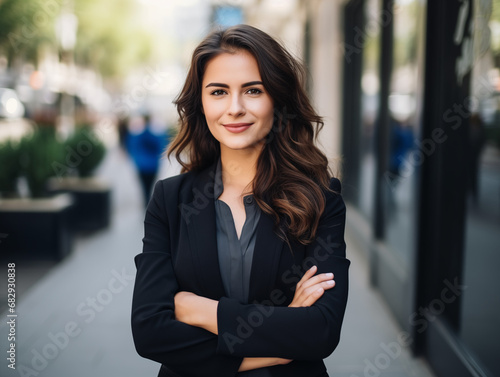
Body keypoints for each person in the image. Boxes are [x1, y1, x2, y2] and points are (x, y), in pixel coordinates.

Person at [131, 24, 350, 377]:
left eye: (252, 90)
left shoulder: (321, 198)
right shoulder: (169, 199)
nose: (234, 108)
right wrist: (273, 347)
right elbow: (150, 332)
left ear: (277, 99)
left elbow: (320, 331)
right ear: (200, 103)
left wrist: (201, 311)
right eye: (218, 92)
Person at [127, 114, 167, 206]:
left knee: (144, 186)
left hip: (141, 165)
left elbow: (132, 147)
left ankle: (146, 201)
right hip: (153, 165)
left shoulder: (137, 136)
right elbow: (162, 147)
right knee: (150, 185)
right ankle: (148, 200)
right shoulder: (156, 136)